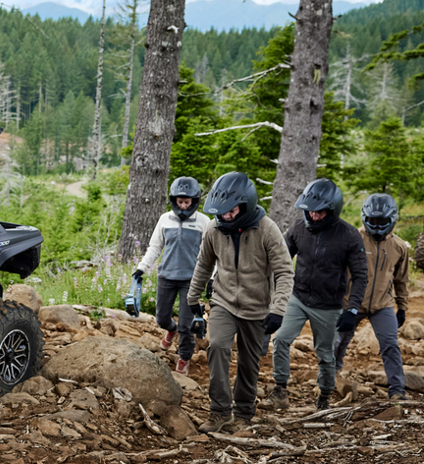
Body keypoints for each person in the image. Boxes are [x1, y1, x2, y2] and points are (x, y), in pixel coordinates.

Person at [188, 172, 294, 433]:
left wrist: (278, 310)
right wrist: (193, 297)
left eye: (231, 211)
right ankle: (220, 412)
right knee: (217, 347)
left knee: (249, 360)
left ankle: (244, 413)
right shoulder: (214, 229)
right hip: (223, 301)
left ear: (245, 204)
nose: (225, 216)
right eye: (221, 211)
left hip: (257, 307)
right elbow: (204, 264)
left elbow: (284, 271)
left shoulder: (267, 229)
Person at [269, 179, 368, 411]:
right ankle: (280, 390)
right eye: (310, 211)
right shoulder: (297, 229)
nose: (313, 216)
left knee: (325, 353)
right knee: (281, 340)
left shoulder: (349, 236)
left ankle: (324, 396)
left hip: (329, 305)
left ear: (333, 210)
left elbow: (360, 275)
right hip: (298, 297)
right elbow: (280, 261)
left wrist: (352, 309)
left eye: (320, 212)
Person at [334, 193, 411, 400]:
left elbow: (401, 280)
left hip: (382, 305)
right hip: (351, 304)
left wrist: (402, 307)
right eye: (372, 221)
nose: (377, 226)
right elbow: (336, 271)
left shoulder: (400, 247)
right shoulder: (352, 239)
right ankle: (329, 379)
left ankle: (397, 390)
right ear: (364, 218)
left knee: (390, 345)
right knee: (339, 341)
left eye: (382, 221)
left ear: (392, 219)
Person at [133, 176, 212, 375]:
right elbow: (155, 247)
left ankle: (184, 358)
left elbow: (212, 253)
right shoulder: (164, 219)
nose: (183, 206)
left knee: (187, 325)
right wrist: (141, 268)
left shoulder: (204, 222)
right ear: (174, 200)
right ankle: (171, 329)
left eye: (187, 202)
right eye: (180, 202)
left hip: (191, 281)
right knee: (161, 319)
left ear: (194, 201)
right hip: (166, 277)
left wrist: (211, 278)